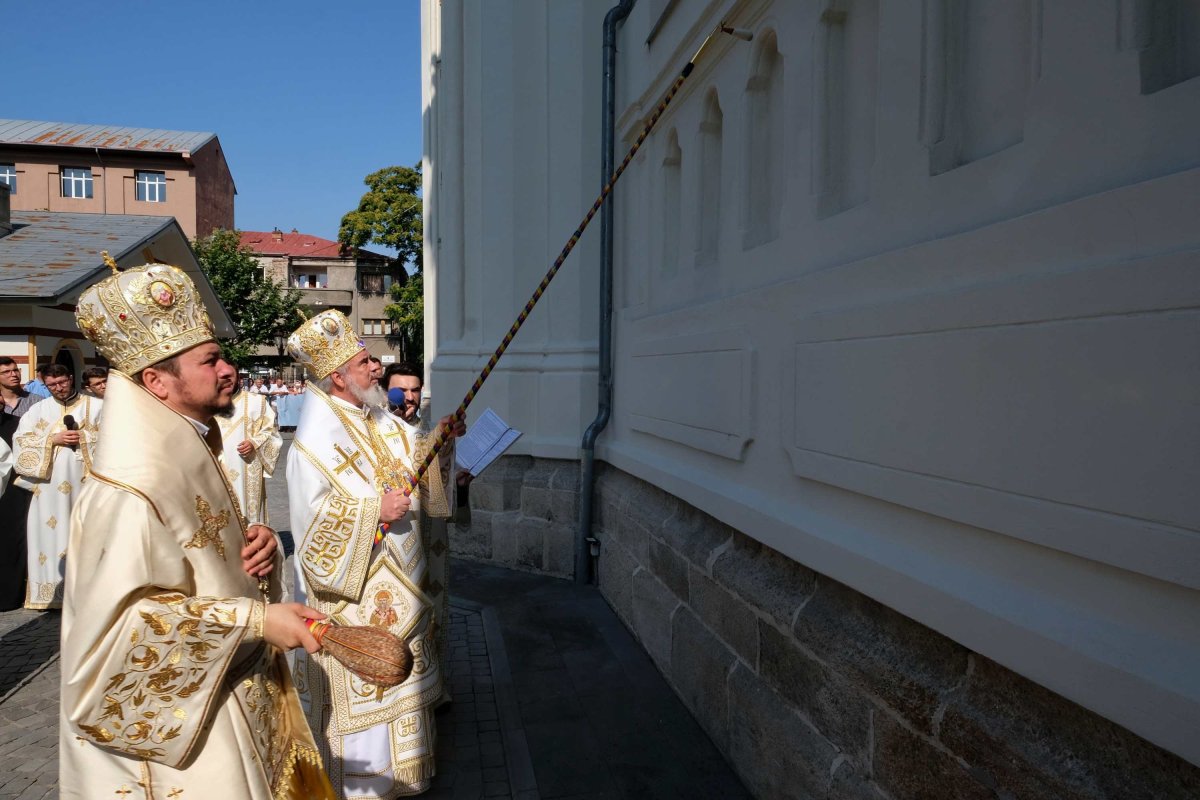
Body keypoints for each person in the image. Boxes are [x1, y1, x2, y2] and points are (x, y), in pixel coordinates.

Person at [64, 262, 336, 798]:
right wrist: (256, 619)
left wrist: (259, 551)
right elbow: (116, 641)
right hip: (184, 743)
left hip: (230, 687)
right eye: (210, 360)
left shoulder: (183, 444)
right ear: (156, 381)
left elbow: (200, 559)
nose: (226, 369)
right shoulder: (129, 487)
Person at [286, 310, 464, 797]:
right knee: (372, 684)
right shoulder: (312, 443)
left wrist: (443, 442)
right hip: (358, 594)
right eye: (365, 362)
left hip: (404, 585)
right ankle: (368, 786)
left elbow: (418, 462)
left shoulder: (380, 418)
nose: (376, 369)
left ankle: (409, 775)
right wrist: (374, 512)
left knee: (404, 680)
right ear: (339, 376)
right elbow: (310, 530)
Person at [12, 364, 102, 609]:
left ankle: (91, 593)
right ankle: (52, 594)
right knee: (51, 533)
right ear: (44, 383)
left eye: (62, 382)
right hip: (48, 489)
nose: (59, 388)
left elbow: (114, 438)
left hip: (86, 484)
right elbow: (20, 443)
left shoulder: (96, 406)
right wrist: (53, 439)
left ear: (71, 379)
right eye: (52, 385)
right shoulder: (37, 410)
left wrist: (84, 438)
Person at [0, 357, 38, 610]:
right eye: (7, 372)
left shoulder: (35, 403)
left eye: (16, 370)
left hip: (17, 485)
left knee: (16, 536)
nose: (14, 374)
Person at [217, 382, 282, 526]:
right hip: (215, 468)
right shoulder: (203, 403)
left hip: (247, 466)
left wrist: (254, 443)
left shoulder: (256, 402)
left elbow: (272, 432)